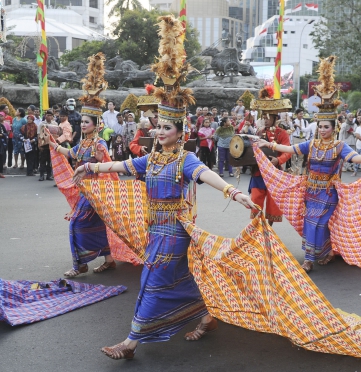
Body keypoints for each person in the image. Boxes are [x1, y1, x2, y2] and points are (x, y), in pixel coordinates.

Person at [72, 17, 256, 359]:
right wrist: (90, 166)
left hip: (175, 231)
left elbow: (206, 174)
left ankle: (130, 343)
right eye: (158, 126)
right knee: (178, 278)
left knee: (152, 282)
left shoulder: (184, 160)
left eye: (167, 128)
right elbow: (121, 166)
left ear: (180, 132)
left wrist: (234, 192)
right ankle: (206, 315)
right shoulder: (152, 160)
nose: (159, 132)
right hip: (154, 230)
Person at [257, 56, 361, 272]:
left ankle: (319, 253)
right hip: (310, 190)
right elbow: (290, 150)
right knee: (312, 224)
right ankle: (312, 257)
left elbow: (354, 157)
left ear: (334, 127)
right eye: (320, 126)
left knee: (319, 223)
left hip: (328, 192)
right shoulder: (312, 143)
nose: (323, 129)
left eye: (326, 126)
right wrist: (267, 143)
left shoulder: (338, 146)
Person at [48, 53, 116, 278]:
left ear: (96, 125)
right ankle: (109, 260)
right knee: (98, 224)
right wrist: (54, 145)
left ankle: (80, 265)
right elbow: (71, 153)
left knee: (76, 224)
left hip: (96, 191)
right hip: (84, 190)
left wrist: (92, 162)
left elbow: (103, 163)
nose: (83, 124)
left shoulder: (99, 143)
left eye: (87, 122)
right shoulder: (83, 142)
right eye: (83, 121)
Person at [249, 86, 292, 224]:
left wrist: (278, 160)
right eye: (263, 117)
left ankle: (268, 231)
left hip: (274, 173)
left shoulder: (282, 133)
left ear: (275, 118)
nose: (265, 120)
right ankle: (257, 230)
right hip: (258, 172)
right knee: (255, 200)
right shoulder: (258, 132)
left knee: (273, 204)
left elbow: (288, 151)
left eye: (268, 117)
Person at [37, 110, 61, 181]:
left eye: (50, 115)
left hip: (52, 144)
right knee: (42, 160)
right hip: (44, 144)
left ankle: (49, 175)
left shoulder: (55, 124)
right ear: (45, 116)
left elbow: (57, 134)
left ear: (52, 116)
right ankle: (41, 175)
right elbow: (39, 134)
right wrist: (39, 145)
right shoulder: (41, 124)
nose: (49, 117)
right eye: (47, 115)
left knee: (50, 161)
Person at [0, 113, 8, 178]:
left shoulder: (1, 126)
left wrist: (2, 135)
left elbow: (6, 133)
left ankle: (0, 172)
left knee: (1, 158)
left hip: (1, 144)